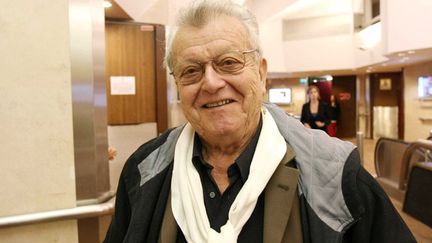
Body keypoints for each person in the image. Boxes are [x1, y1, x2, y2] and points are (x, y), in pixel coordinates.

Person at [104, 1, 416, 242]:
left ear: (261, 73)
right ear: (178, 86)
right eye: (191, 71)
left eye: (228, 62)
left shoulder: (334, 174)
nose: (211, 83)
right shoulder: (144, 170)